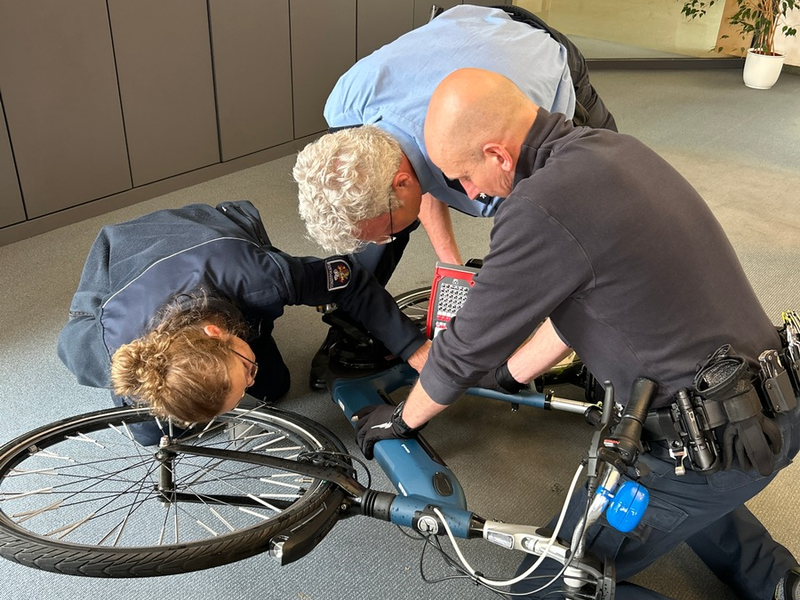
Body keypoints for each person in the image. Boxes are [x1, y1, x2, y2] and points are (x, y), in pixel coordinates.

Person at [352, 68, 800, 600]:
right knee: (693, 492)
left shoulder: (539, 209)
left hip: (696, 445)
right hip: (766, 411)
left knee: (544, 584)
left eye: (463, 176)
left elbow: (460, 352)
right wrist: (511, 375)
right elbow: (577, 309)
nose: (466, 192)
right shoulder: (612, 150)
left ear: (497, 153)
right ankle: (777, 582)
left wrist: (399, 419)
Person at [293, 3, 616, 286]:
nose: (384, 240)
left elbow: (527, 237)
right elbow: (417, 168)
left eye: (387, 232)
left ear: (403, 182)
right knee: (382, 206)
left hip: (536, 47)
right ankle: (356, 318)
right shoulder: (346, 106)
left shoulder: (500, 151)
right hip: (470, 33)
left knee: (610, 185)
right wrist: (450, 264)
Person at [57, 200, 429, 444]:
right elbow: (69, 340)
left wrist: (412, 347)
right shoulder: (113, 344)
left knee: (274, 387)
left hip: (205, 237)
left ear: (218, 333)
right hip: (128, 269)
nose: (250, 379)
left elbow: (350, 280)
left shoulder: (260, 277)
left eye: (246, 370)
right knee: (152, 436)